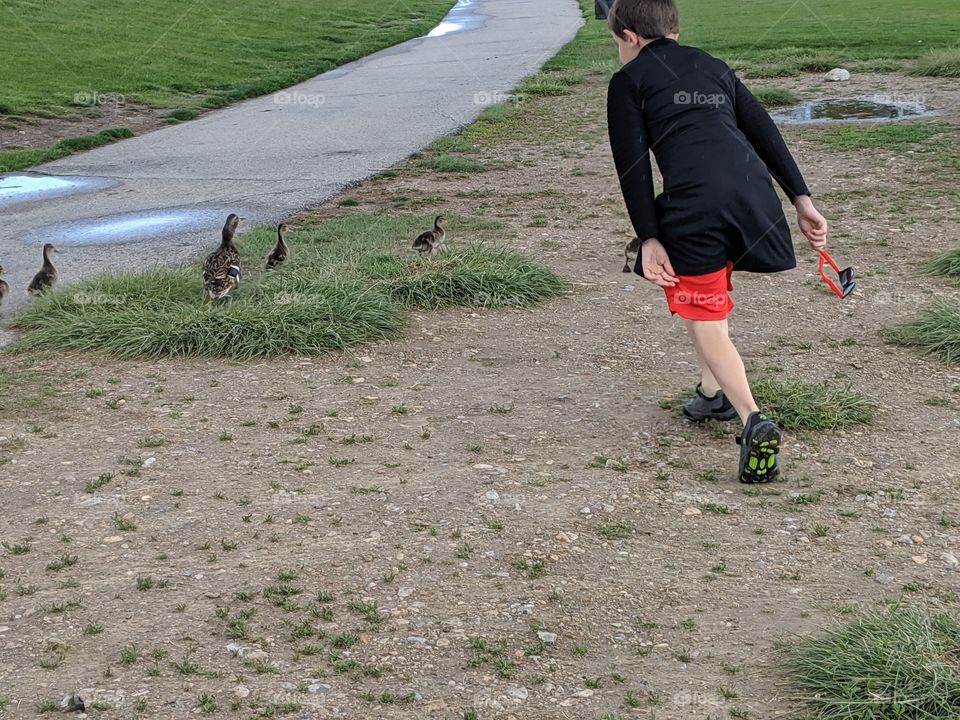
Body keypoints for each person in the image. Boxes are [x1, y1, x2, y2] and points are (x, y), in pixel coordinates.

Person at [606, 0, 829, 482]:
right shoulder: (713, 65)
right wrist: (801, 198)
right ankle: (712, 394)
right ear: (675, 28)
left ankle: (753, 418)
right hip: (754, 198)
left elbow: (633, 168)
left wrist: (649, 238)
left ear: (628, 36)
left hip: (695, 209)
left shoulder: (628, 81)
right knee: (701, 299)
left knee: (701, 310)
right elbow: (764, 130)